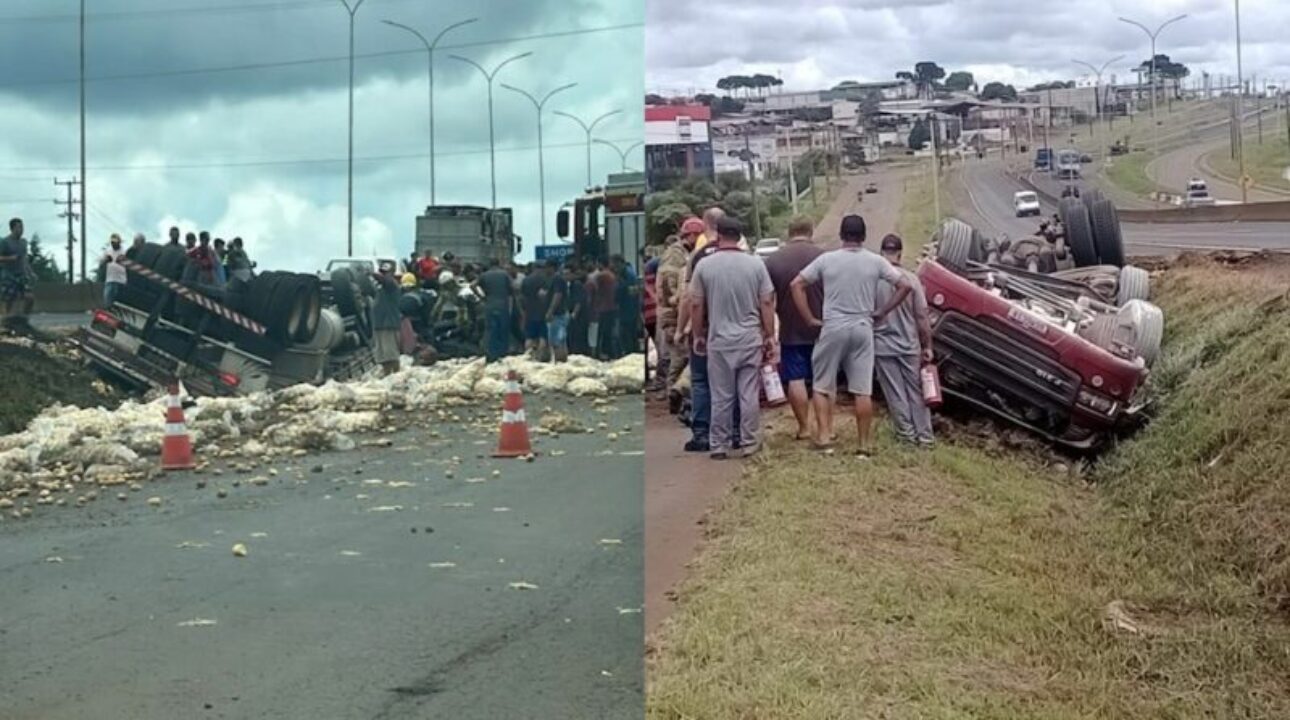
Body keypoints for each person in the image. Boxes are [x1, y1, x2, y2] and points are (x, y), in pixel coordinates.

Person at [790, 214, 912, 457]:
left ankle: (824, 437)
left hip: (833, 326)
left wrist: (809, 318)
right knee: (862, 390)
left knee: (823, 385)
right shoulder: (875, 262)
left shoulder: (827, 260)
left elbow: (796, 284)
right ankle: (864, 444)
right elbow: (905, 285)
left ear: (841, 235)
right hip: (863, 327)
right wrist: (882, 311)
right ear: (864, 237)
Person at [688, 216, 775, 460]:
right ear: (739, 237)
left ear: (717, 235)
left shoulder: (705, 266)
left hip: (719, 341)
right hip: (749, 339)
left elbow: (695, 303)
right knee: (748, 394)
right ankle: (748, 442)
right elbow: (766, 301)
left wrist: (698, 335)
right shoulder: (755, 265)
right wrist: (770, 335)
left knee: (721, 395)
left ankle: (719, 444)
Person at [763, 216, 824, 441]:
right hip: (822, 327)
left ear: (789, 233)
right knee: (822, 380)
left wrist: (768, 332)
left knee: (796, 379)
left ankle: (804, 428)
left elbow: (767, 299)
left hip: (790, 330)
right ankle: (825, 427)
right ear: (811, 230)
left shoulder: (773, 261)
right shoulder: (824, 257)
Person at [873, 234, 935, 447]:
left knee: (895, 393)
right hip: (910, 345)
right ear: (900, 253)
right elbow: (922, 317)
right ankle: (925, 437)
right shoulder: (912, 280)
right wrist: (927, 346)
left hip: (882, 347)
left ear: (881, 253)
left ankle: (906, 436)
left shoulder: (874, 280)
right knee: (917, 391)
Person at [660, 219, 702, 403]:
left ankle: (676, 393)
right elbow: (671, 286)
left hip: (678, 313)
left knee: (682, 356)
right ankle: (673, 393)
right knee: (680, 357)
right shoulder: (676, 255)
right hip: (673, 314)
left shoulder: (685, 254)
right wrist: (678, 308)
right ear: (691, 235)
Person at [475, 258, 513, 363]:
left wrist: (482, 297)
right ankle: (502, 355)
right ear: (499, 263)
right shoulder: (504, 275)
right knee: (503, 330)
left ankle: (491, 355)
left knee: (491, 330)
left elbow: (472, 285)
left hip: (489, 305)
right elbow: (513, 288)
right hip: (503, 305)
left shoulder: (484, 275)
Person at [370, 261, 403, 376]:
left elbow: (385, 280)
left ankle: (396, 375)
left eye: (386, 273)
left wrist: (372, 273)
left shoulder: (392, 285)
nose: (384, 275)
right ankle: (387, 374)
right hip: (380, 324)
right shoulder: (381, 288)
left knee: (391, 354)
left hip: (388, 323)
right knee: (383, 355)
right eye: (382, 272)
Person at [0, 218, 35, 325]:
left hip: (21, 275)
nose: (21, 230)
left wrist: (30, 272)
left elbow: (25, 259)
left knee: (30, 298)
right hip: (8, 275)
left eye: (22, 227)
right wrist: (10, 258)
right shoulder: (5, 242)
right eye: (19, 227)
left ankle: (24, 319)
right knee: (9, 300)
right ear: (12, 229)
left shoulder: (23, 243)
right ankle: (6, 322)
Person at [520, 260, 551, 359]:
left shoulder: (526, 280)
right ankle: (540, 357)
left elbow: (522, 297)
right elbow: (545, 296)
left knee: (529, 337)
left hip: (529, 312)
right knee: (543, 337)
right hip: (542, 313)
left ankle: (528, 357)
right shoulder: (546, 280)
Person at [545, 259, 571, 363]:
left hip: (557, 315)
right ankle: (562, 362)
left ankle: (559, 362)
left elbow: (557, 295)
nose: (545, 270)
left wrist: (550, 311)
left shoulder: (557, 279)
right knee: (561, 340)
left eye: (546, 267)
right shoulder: (559, 279)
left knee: (556, 341)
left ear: (551, 267)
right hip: (561, 313)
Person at [101, 234, 127, 307]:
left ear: (119, 242)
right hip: (110, 279)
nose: (113, 244)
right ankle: (107, 310)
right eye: (112, 242)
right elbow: (102, 261)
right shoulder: (108, 251)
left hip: (121, 280)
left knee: (118, 301)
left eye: (115, 242)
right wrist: (105, 260)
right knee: (107, 298)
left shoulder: (124, 251)